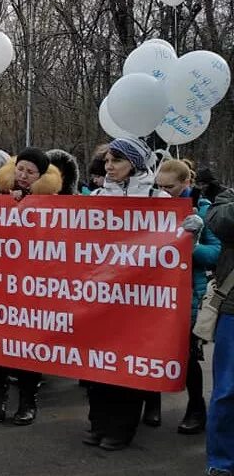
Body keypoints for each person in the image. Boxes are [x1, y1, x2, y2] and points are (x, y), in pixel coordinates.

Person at [84, 138, 194, 451]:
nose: (109, 166)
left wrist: (188, 232)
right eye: (107, 160)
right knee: (96, 362)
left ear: (134, 162)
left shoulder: (156, 197)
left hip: (138, 297)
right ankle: (97, 422)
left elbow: (171, 243)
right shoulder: (97, 196)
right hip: (100, 294)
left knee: (126, 364)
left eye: (117, 160)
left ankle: (121, 427)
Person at [0, 148, 62, 425]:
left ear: (40, 176)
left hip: (32, 286)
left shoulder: (51, 202)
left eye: (30, 172)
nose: (23, 176)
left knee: (28, 347)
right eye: (20, 169)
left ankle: (28, 400)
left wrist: (28, 205)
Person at [154, 159, 220, 435]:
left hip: (187, 294)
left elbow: (214, 254)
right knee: (150, 350)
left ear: (186, 183)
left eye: (170, 187)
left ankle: (196, 408)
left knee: (188, 356)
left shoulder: (204, 211)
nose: (165, 192)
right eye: (160, 187)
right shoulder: (151, 206)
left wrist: (192, 243)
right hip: (154, 293)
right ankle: (151, 405)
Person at [206, 184, 234, 475]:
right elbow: (220, 222)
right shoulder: (228, 197)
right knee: (228, 389)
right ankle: (222, 463)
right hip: (233, 311)